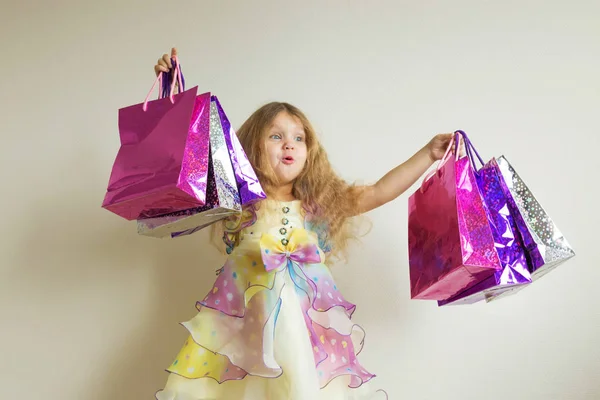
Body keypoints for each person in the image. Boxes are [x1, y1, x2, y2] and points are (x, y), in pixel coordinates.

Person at [153, 48, 455, 400]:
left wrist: (428, 154)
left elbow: (378, 191)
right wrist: (170, 97)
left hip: (305, 331)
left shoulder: (318, 205)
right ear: (251, 147)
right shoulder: (236, 200)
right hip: (244, 329)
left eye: (299, 138)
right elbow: (186, 166)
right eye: (276, 136)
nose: (289, 145)